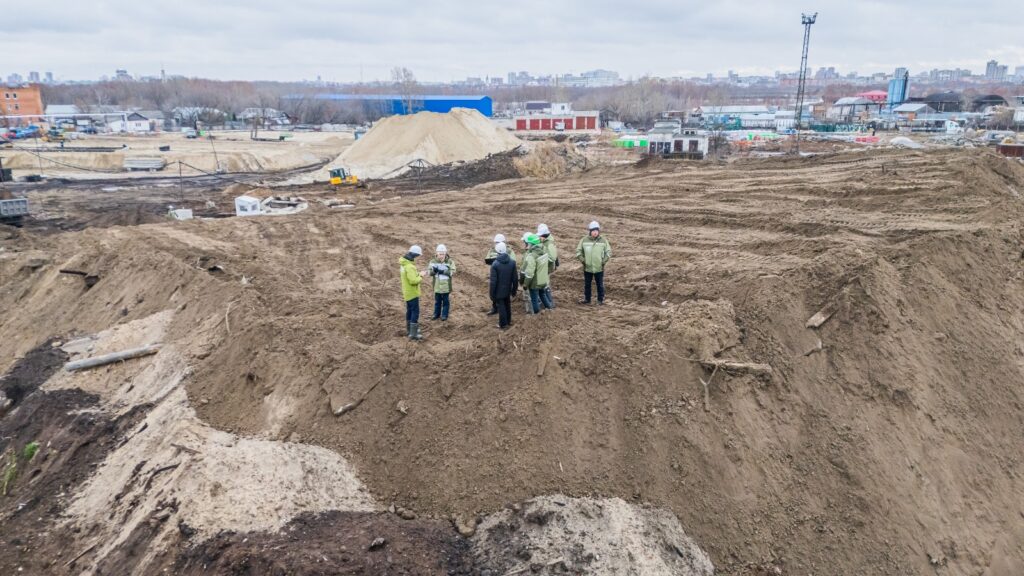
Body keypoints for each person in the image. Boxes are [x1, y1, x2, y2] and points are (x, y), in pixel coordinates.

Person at [575, 221, 611, 305]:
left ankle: (600, 300)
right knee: (587, 285)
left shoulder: (603, 240)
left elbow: (608, 252)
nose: (595, 232)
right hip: (587, 268)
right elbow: (578, 251)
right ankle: (587, 299)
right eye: (593, 230)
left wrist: (603, 262)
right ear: (590, 231)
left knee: (600, 285)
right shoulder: (584, 240)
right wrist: (583, 261)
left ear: (598, 231)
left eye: (596, 230)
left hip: (599, 268)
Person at [484, 233, 516, 315]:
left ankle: (503, 311)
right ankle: (495, 307)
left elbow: (513, 261)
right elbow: (487, 259)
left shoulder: (509, 250)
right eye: (496, 242)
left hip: (505, 275)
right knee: (494, 290)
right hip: (495, 272)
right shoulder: (492, 249)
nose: (496, 244)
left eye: (498, 242)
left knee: (503, 293)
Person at [399, 244, 426, 340]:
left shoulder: (404, 264)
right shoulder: (410, 266)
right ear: (415, 255)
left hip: (407, 292)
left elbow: (410, 276)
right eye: (418, 255)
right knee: (415, 311)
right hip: (412, 293)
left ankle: (409, 330)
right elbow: (413, 281)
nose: (418, 257)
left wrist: (417, 274)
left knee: (409, 310)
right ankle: (413, 334)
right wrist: (421, 276)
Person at [489, 241, 518, 329]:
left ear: (497, 252)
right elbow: (515, 278)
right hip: (508, 289)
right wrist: (514, 290)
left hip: (498, 291)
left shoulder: (495, 265)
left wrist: (492, 294)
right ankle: (508, 321)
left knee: (501, 307)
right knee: (507, 304)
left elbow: (493, 282)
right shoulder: (512, 262)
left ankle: (503, 324)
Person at [521, 233, 553, 314]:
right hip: (543, 280)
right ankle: (550, 309)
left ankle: (537, 315)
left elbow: (530, 273)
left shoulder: (532, 256)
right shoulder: (544, 251)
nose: (527, 245)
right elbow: (550, 261)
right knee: (543, 295)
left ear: (531, 244)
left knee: (534, 299)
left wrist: (525, 284)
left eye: (528, 243)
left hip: (535, 283)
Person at [428, 244, 456, 321]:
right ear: (436, 253)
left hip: (446, 287)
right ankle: (436, 314)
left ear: (445, 253)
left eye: (443, 254)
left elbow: (452, 272)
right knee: (437, 302)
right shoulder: (433, 261)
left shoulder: (450, 262)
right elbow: (429, 272)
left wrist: (443, 271)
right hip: (437, 287)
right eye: (440, 254)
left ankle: (444, 315)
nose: (441, 256)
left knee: (446, 302)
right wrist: (434, 271)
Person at [537, 223, 558, 308]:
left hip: (547, 267)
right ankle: (547, 302)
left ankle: (550, 303)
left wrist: (543, 259)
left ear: (544, 235)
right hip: (544, 267)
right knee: (545, 284)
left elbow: (553, 257)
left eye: (540, 236)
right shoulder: (545, 242)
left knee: (546, 285)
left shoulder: (549, 243)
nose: (539, 238)